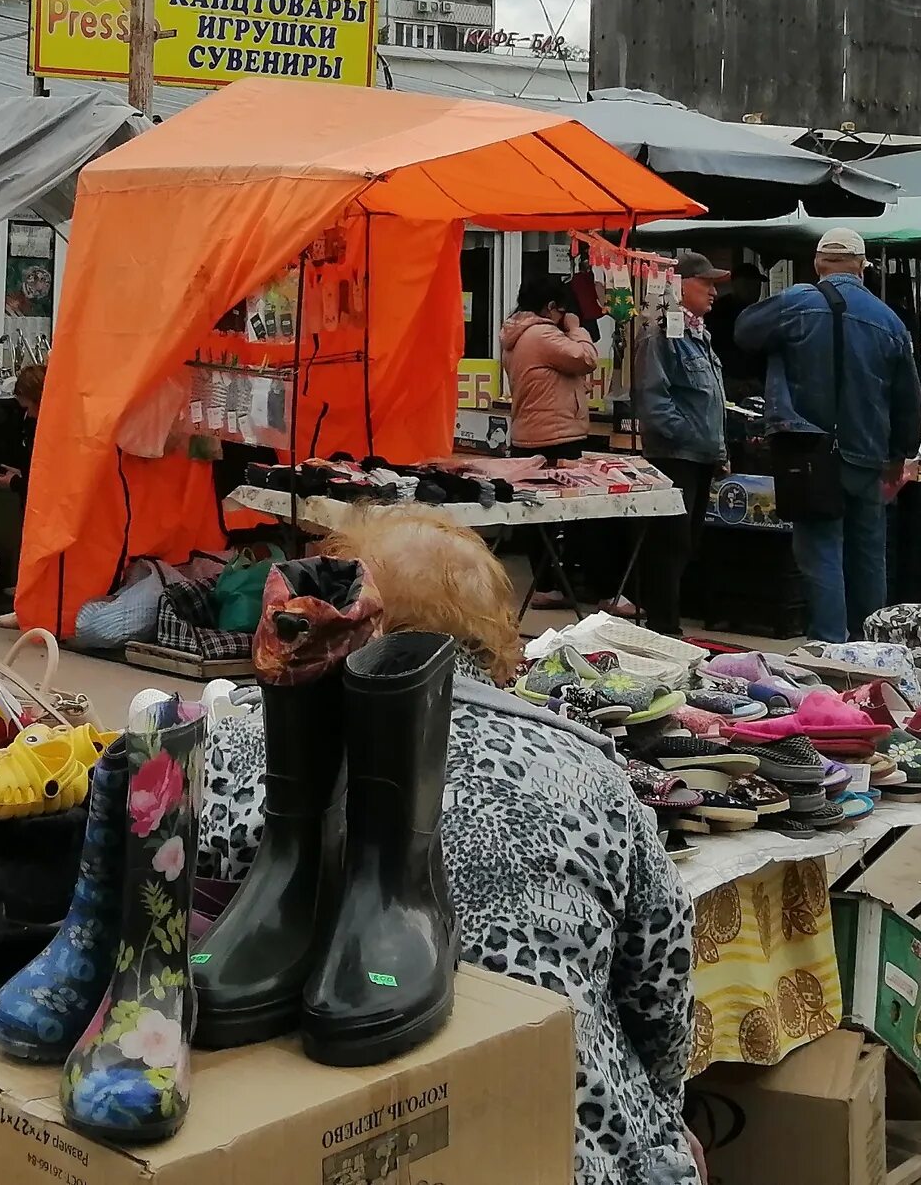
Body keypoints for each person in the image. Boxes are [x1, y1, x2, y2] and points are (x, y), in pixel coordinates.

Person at [199, 507, 697, 1185]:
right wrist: (663, 1119)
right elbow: (661, 990)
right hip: (561, 1139)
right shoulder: (592, 775)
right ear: (496, 633)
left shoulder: (233, 748)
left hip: (315, 1139)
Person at [734, 227, 921, 643]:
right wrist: (901, 454)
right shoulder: (889, 320)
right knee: (869, 555)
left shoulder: (799, 301)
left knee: (821, 552)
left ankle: (830, 648)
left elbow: (744, 332)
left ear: (819, 263)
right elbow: (909, 398)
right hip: (869, 455)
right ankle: (874, 647)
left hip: (809, 452)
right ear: (861, 267)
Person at [632, 251, 730, 637]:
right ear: (679, 285)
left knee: (686, 544)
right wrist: (693, 435)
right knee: (670, 545)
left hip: (698, 455)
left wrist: (716, 448)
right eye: (705, 283)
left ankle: (669, 624)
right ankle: (664, 628)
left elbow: (710, 398)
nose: (713, 293)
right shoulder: (659, 334)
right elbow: (654, 400)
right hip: (674, 456)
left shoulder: (698, 335)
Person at [498, 272, 599, 453]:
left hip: (529, 433)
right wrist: (576, 329)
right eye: (561, 312)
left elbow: (540, 380)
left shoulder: (517, 333)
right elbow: (587, 359)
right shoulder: (542, 334)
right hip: (553, 438)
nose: (562, 318)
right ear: (551, 306)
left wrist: (574, 387)